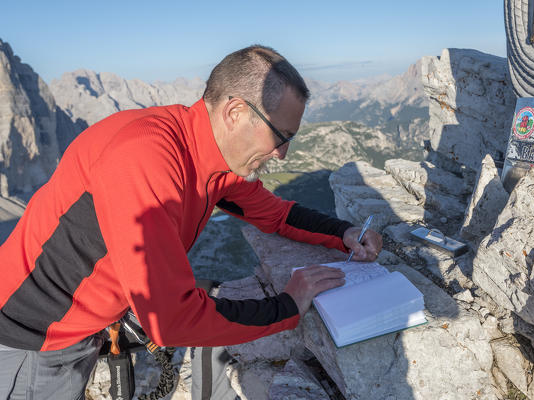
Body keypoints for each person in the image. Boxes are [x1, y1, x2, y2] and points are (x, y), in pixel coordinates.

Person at [0, 45, 382, 399]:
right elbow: (171, 320)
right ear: (235, 113)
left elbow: (275, 213)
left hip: (79, 323)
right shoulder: (147, 159)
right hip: (34, 337)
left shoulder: (207, 155)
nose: (283, 155)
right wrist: (287, 306)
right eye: (281, 136)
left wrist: (344, 234)